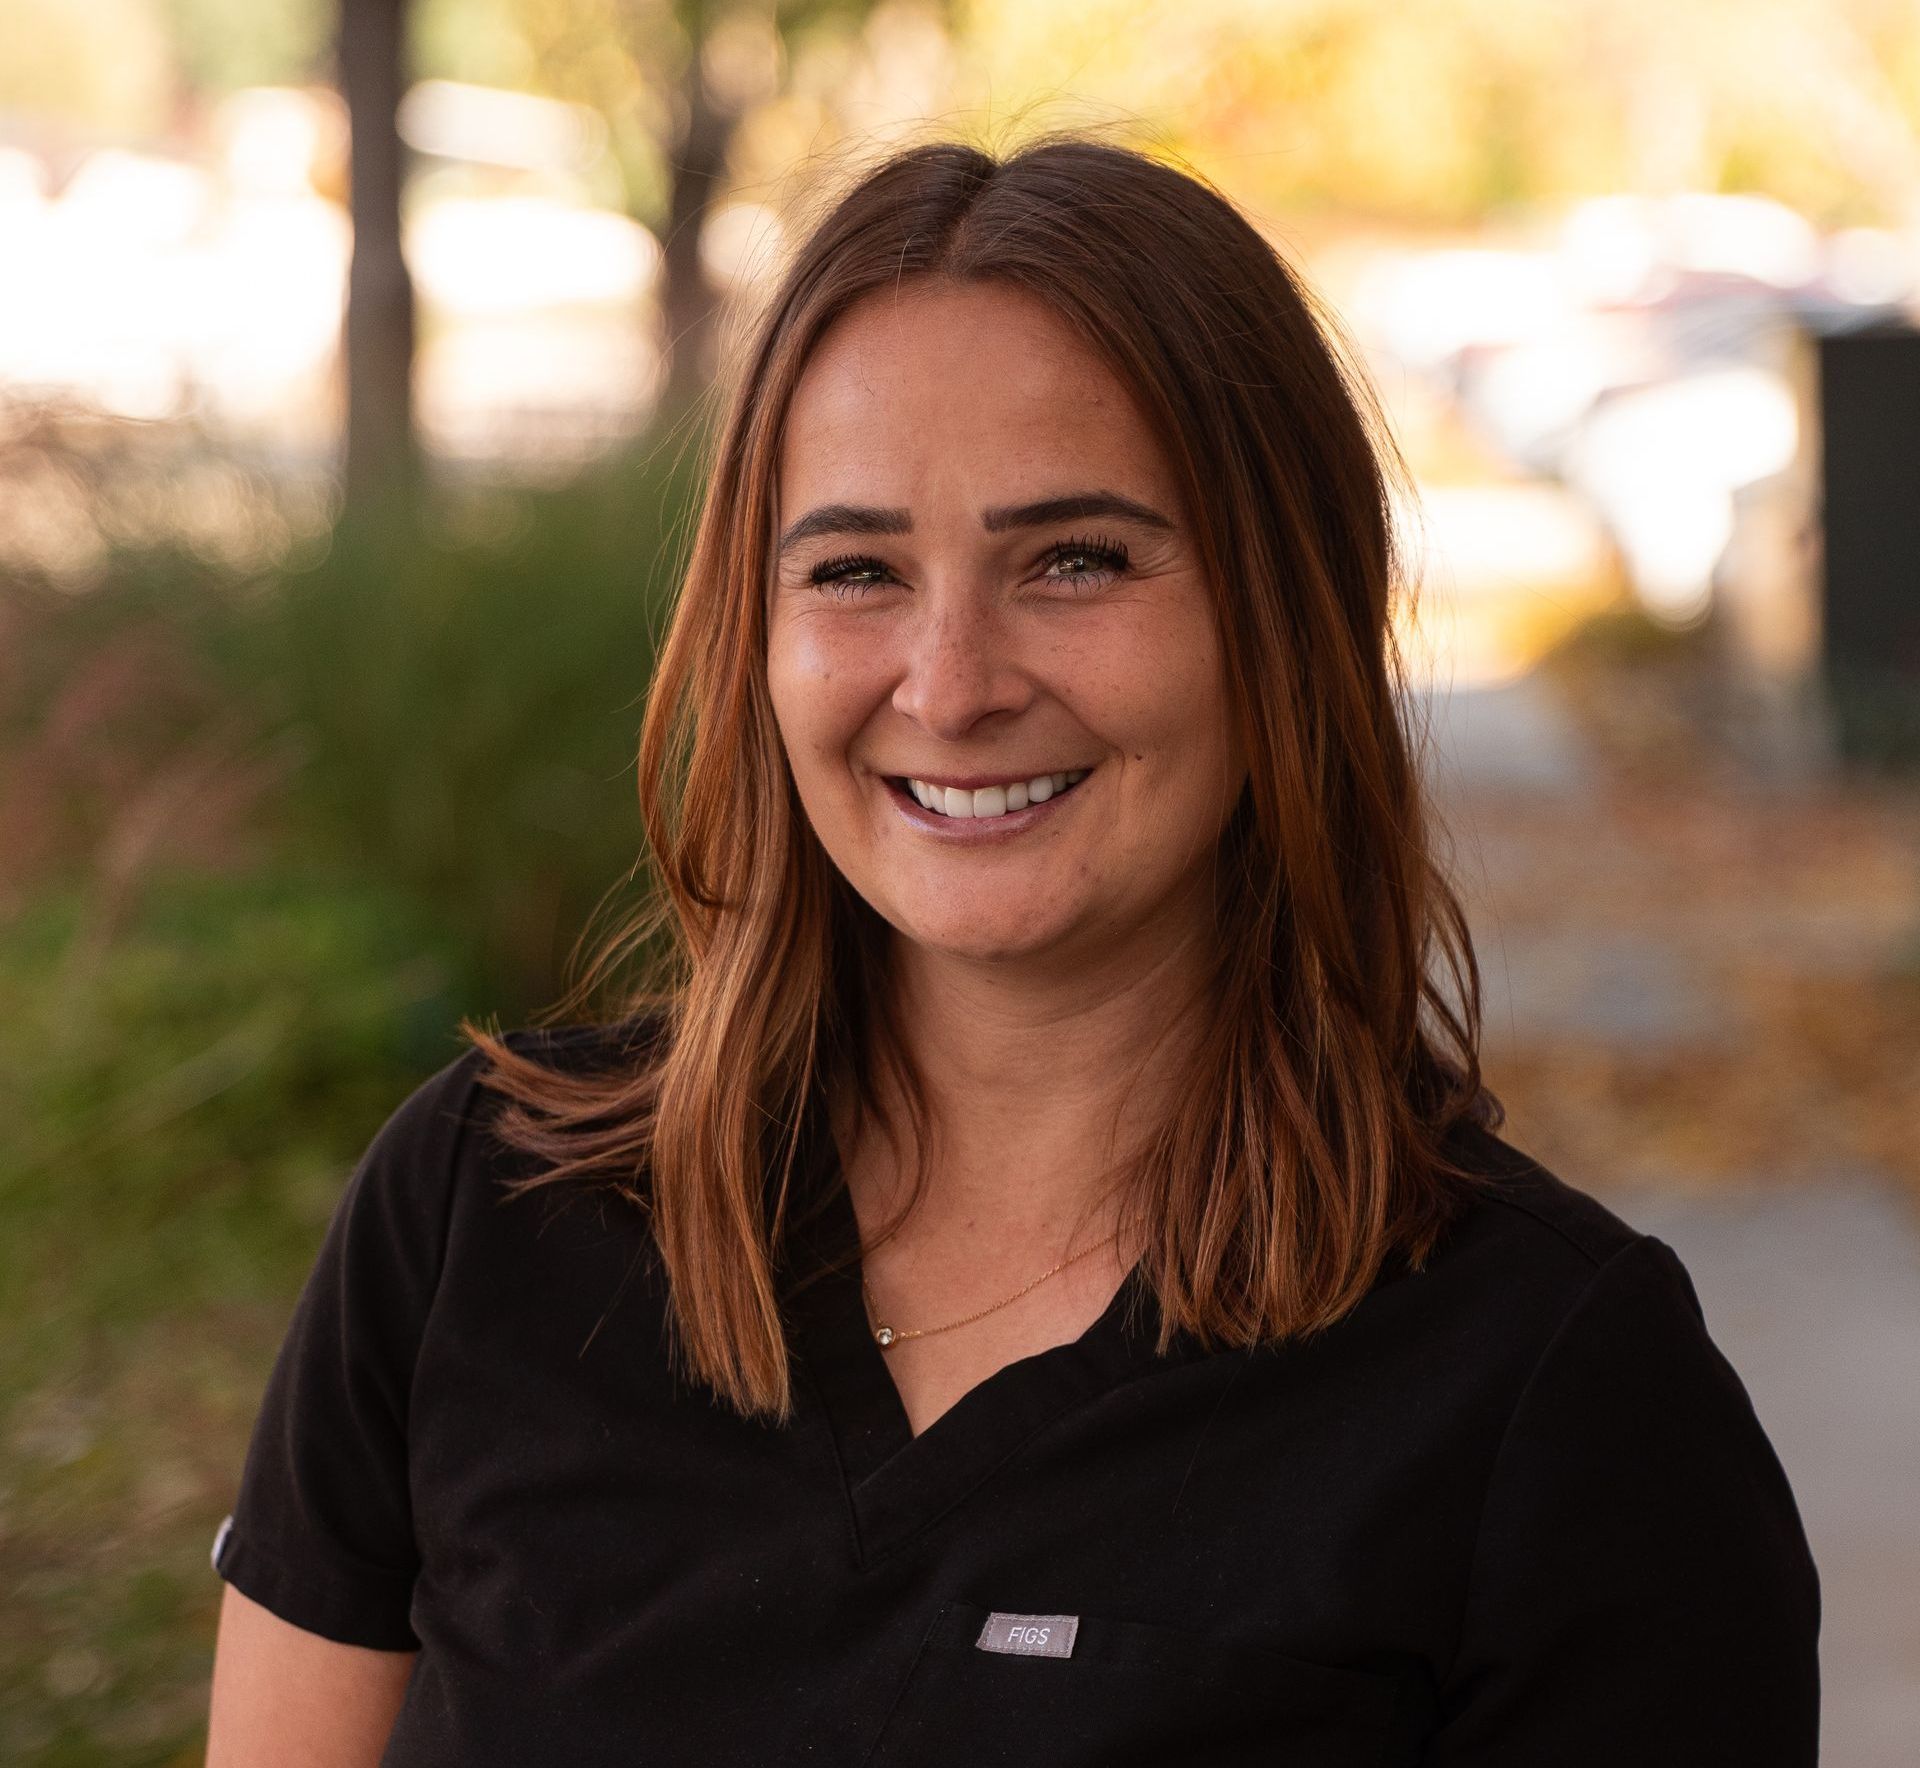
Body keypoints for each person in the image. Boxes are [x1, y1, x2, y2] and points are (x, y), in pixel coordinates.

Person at [204, 133, 1821, 1766]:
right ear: (750, 636)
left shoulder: (1560, 1397)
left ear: (1288, 613)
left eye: (1076, 560)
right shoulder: (481, 1218)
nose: (952, 680)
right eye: (855, 571)